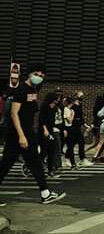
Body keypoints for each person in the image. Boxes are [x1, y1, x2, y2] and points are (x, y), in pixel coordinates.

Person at [0, 66, 65, 205]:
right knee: (6, 164)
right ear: (29, 74)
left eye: (42, 75)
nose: (39, 77)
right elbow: (14, 113)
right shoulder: (21, 90)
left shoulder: (32, 91)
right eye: (36, 74)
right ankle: (45, 193)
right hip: (18, 134)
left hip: (27, 132)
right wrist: (21, 136)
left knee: (33, 162)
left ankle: (45, 193)